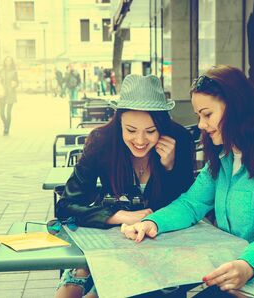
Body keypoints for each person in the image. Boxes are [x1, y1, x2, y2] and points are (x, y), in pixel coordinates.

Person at [121, 65, 254, 297]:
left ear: (236, 107)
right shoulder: (224, 156)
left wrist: (248, 265)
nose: (202, 125)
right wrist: (152, 223)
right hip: (234, 283)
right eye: (199, 116)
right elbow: (190, 204)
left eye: (207, 114)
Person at [55, 74, 196, 298]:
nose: (140, 140)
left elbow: (189, 207)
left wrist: (170, 168)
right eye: (131, 130)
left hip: (161, 248)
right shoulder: (102, 141)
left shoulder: (179, 139)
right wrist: (117, 216)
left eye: (150, 131)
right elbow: (65, 206)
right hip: (111, 242)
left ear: (162, 125)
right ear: (118, 121)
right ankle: (87, 273)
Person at [0, 56, 19, 136]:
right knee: (2, 113)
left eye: (10, 61)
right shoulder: (1, 71)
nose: (8, 62)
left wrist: (15, 84)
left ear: (11, 62)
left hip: (11, 93)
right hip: (2, 93)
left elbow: (17, 82)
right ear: (4, 62)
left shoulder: (14, 72)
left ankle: (7, 129)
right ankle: (6, 125)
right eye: (6, 60)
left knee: (8, 112)